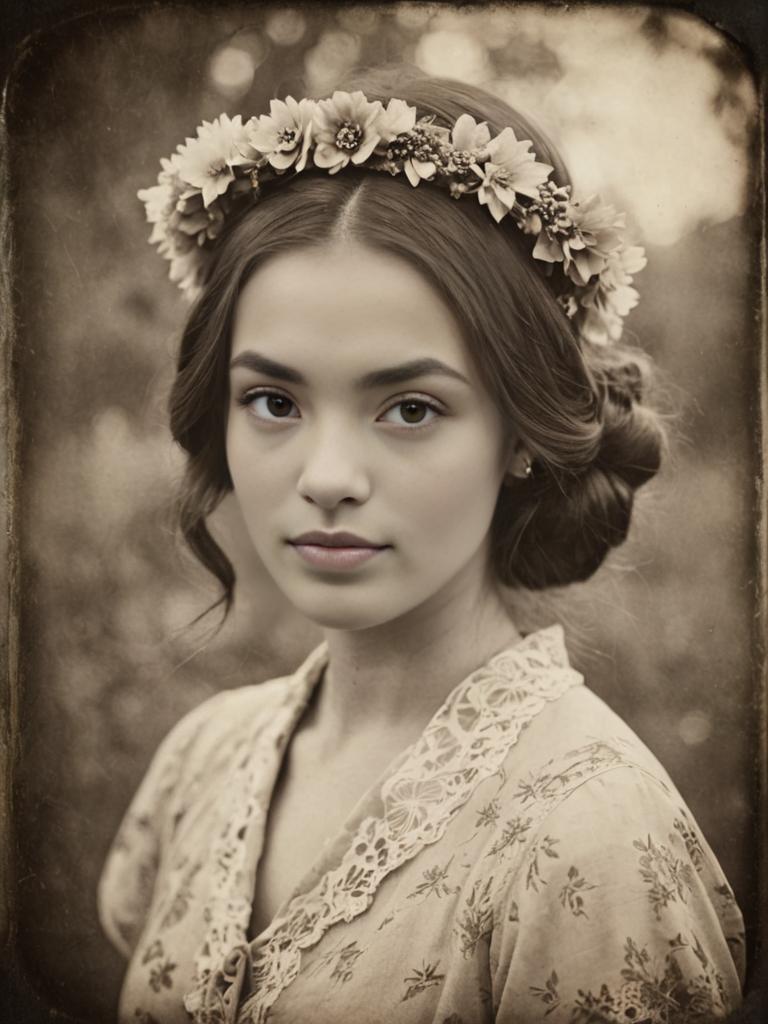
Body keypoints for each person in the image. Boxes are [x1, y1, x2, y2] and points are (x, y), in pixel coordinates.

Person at [97, 68, 745, 1023]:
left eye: (409, 407)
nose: (325, 475)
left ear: (521, 431)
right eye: (273, 401)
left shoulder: (588, 840)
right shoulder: (204, 758)